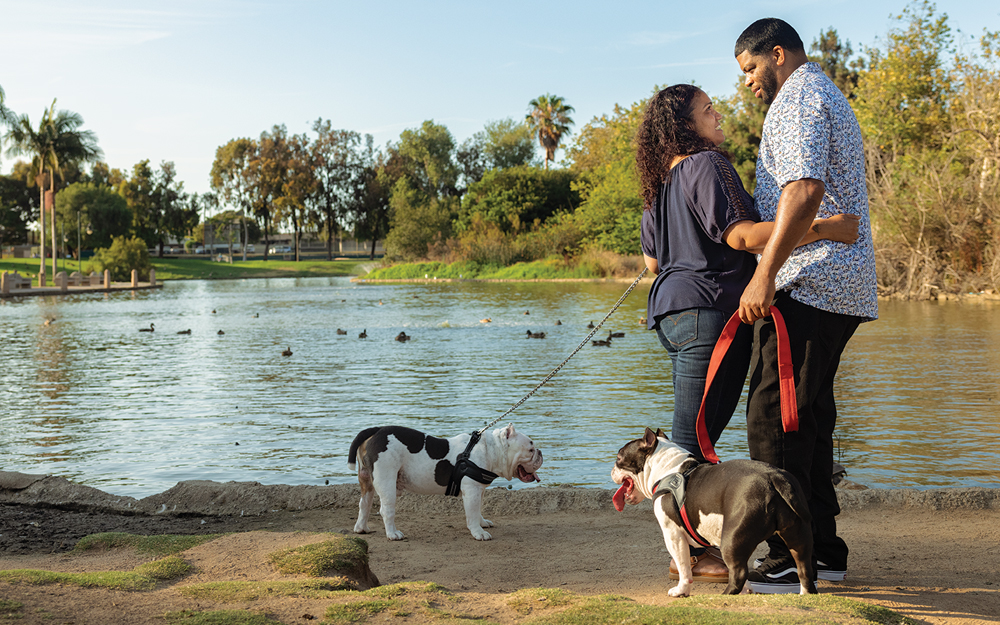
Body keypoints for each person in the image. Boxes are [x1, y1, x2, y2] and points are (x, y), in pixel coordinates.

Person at [635, 83, 859, 583]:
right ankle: (692, 555)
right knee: (690, 445)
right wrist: (824, 227)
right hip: (710, 311)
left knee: (693, 433)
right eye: (707, 109)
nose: (718, 114)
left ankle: (695, 549)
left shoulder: (658, 186)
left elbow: (652, 260)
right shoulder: (707, 165)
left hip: (671, 315)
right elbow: (741, 236)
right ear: (685, 125)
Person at [732, 18, 878, 593]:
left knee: (774, 419)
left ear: (776, 54)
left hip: (812, 283)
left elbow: (804, 189)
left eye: (749, 69)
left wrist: (764, 276)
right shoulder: (819, 93)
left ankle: (793, 559)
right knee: (807, 419)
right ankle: (822, 553)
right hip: (832, 283)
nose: (747, 83)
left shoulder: (800, 98)